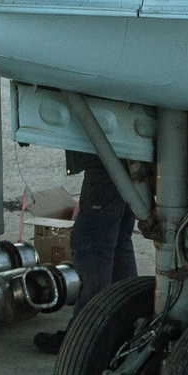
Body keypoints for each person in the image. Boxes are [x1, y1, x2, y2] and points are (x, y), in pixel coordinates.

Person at [35, 150, 138, 354]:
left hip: (109, 155)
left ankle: (85, 335)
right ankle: (130, 324)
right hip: (127, 158)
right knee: (117, 243)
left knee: (92, 244)